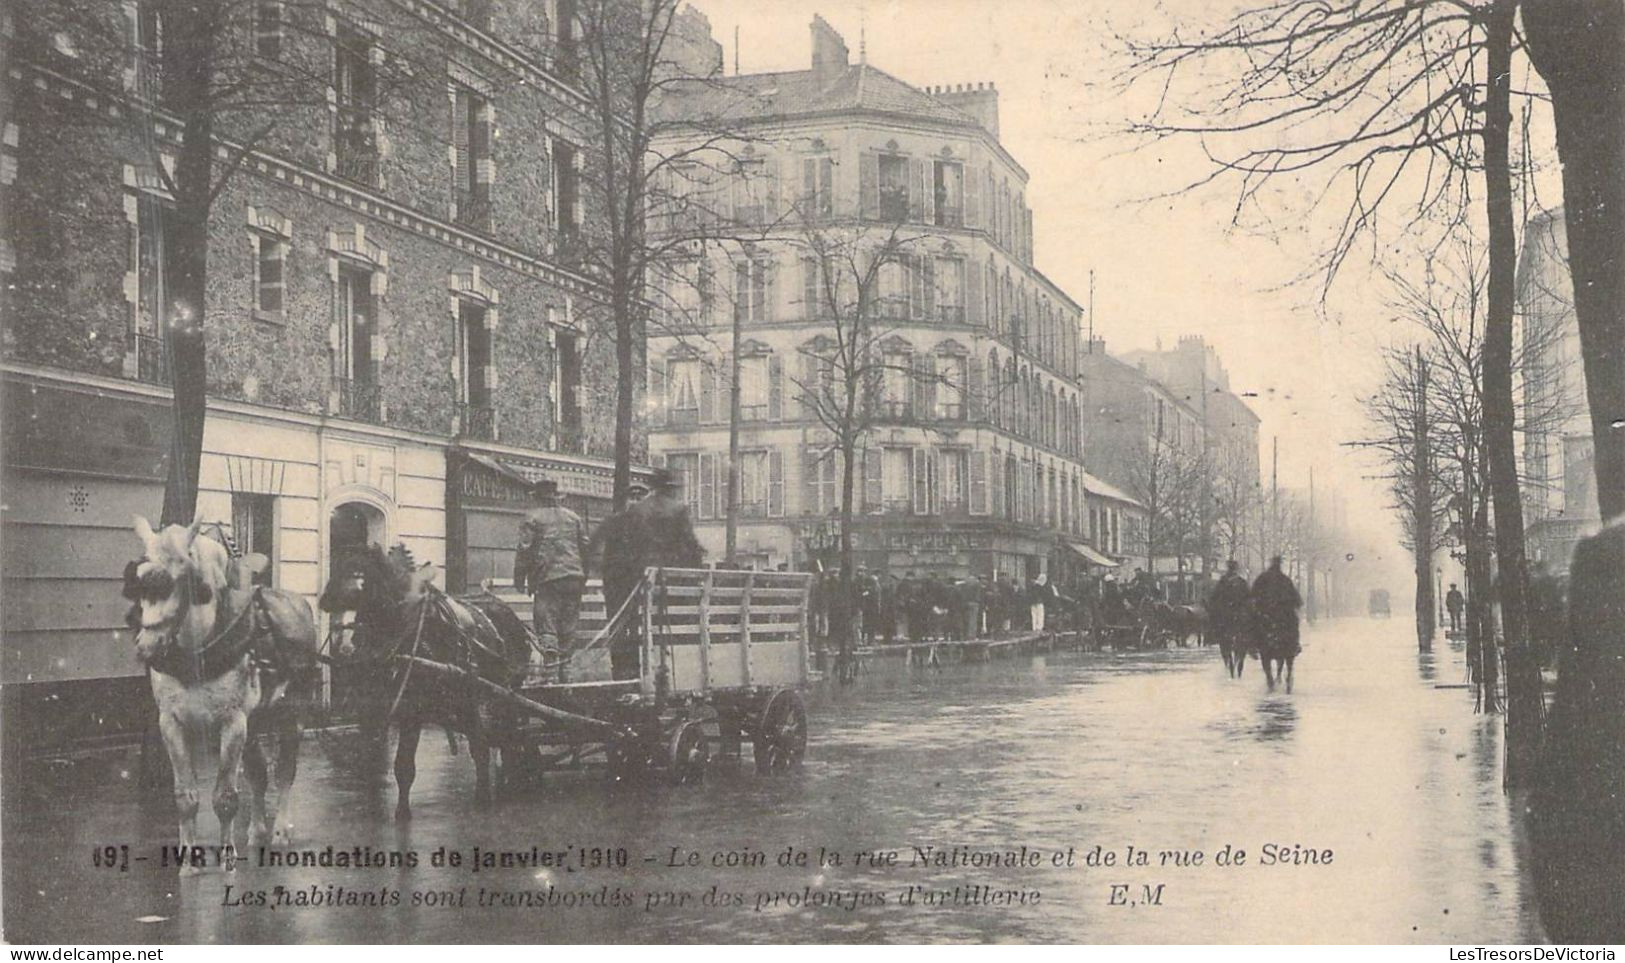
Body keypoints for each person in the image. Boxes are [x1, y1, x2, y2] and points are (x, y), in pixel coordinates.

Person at [592, 468, 704, 679]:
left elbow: (628, 545)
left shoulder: (637, 511)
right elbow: (690, 546)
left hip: (637, 577)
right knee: (674, 621)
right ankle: (671, 667)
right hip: (669, 578)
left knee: (634, 624)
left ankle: (632, 670)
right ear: (670, 488)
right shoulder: (679, 509)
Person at [514, 478, 586, 673]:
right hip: (574, 578)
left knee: (546, 622)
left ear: (537, 498)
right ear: (557, 497)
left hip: (548, 578)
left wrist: (519, 578)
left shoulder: (532, 518)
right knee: (568, 624)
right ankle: (566, 673)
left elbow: (525, 549)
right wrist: (582, 575)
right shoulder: (574, 517)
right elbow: (585, 548)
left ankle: (551, 672)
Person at [1251, 556, 1302, 660]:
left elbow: (1253, 594)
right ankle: (1295, 645)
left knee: (1253, 624)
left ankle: (1253, 646)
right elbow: (1296, 598)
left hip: (1265, 613)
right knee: (1294, 623)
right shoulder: (1285, 579)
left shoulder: (1262, 578)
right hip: (1283, 614)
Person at [956, 574, 984, 641]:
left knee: (966, 619)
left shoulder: (965, 582)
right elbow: (978, 594)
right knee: (973, 620)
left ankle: (965, 635)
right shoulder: (977, 583)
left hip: (965, 603)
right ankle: (971, 636)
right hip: (974, 603)